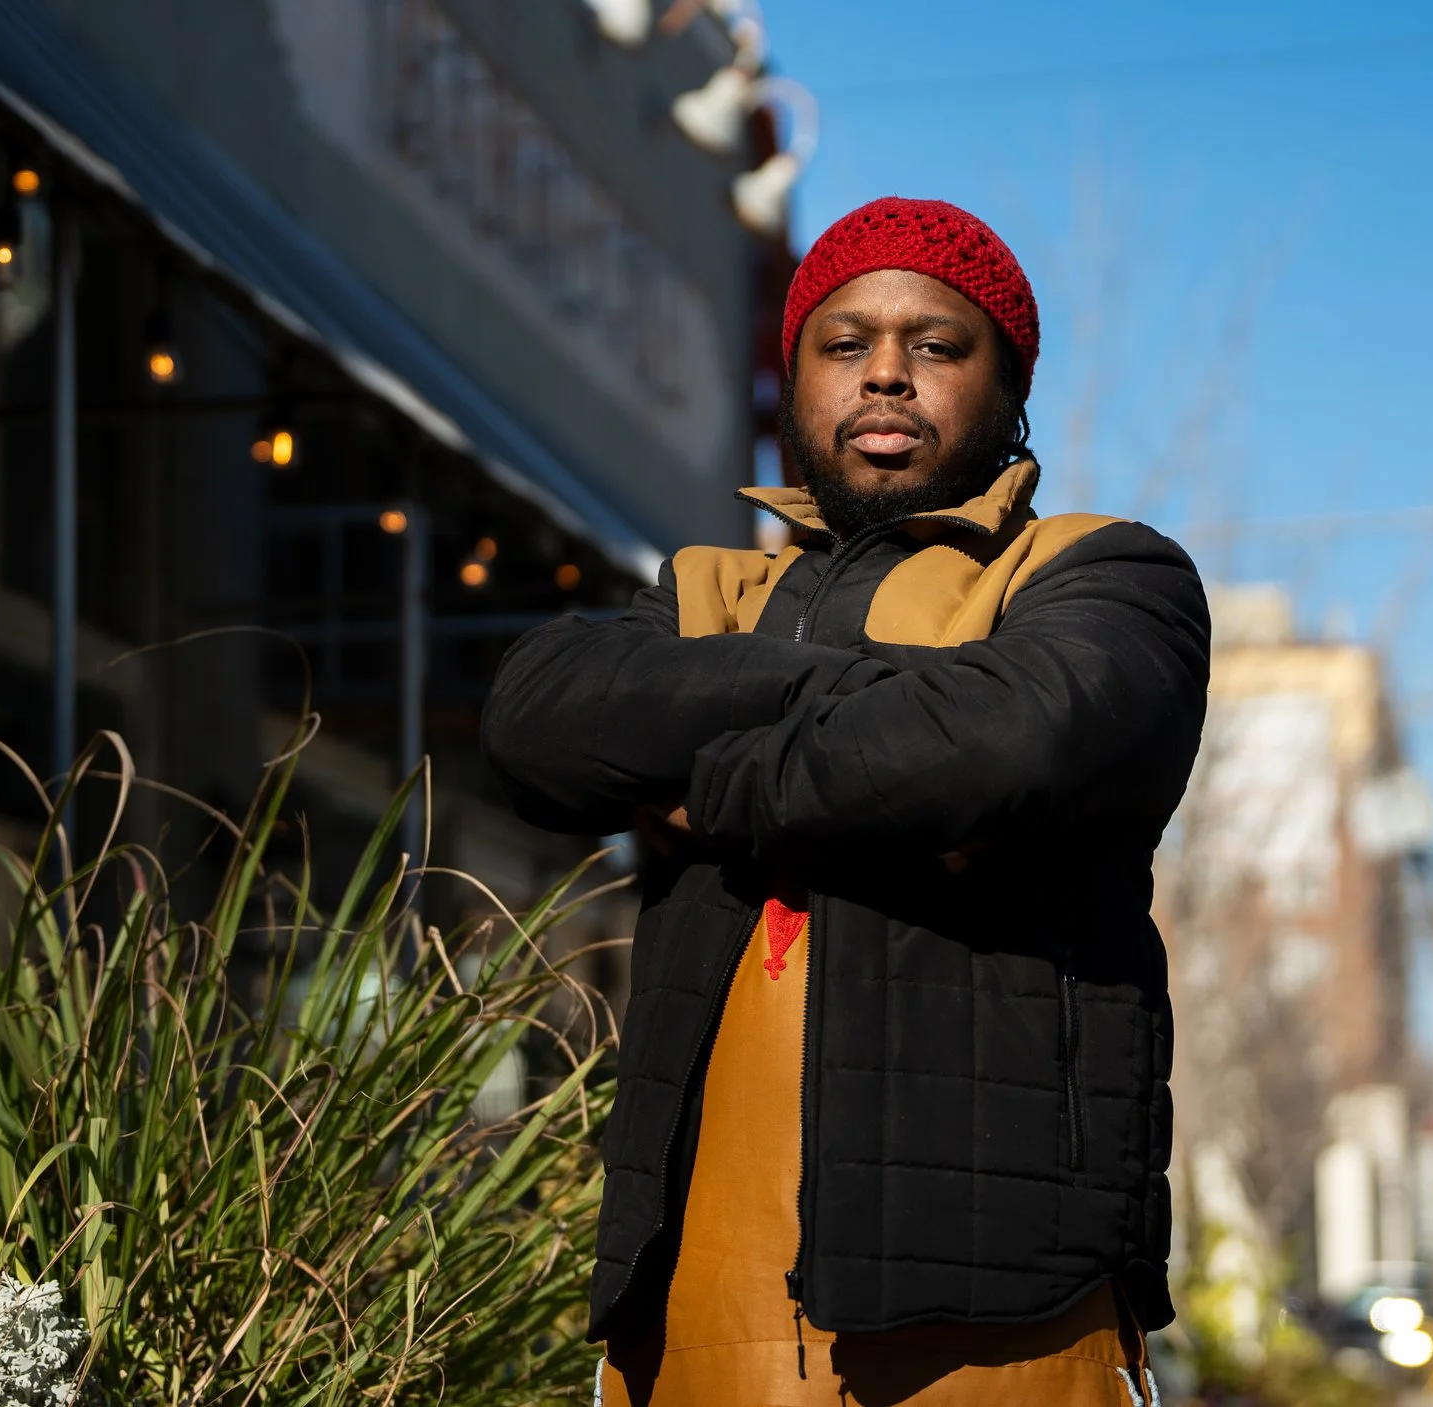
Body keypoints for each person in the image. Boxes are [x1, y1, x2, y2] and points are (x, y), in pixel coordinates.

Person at [482, 197, 1210, 1406]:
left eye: (936, 344)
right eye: (845, 342)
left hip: (997, 1316)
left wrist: (706, 779)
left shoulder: (1102, 573)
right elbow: (534, 720)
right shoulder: (706, 587)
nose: (885, 373)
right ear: (796, 378)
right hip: (692, 1310)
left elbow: (1010, 738)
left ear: (1007, 389)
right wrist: (874, 708)